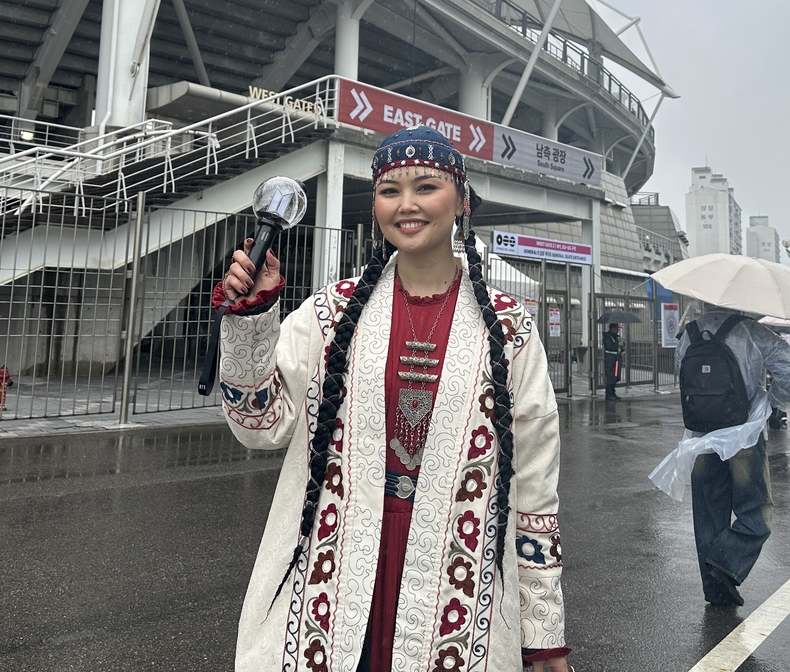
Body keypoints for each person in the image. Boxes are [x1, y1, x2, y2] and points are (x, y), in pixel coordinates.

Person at [216, 127, 570, 672]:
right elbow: (259, 425)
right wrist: (251, 321)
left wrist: (542, 633)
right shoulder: (329, 315)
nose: (406, 204)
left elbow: (535, 490)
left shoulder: (510, 328)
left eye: (426, 186)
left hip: (458, 575)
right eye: (389, 190)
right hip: (334, 575)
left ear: (461, 200)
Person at [674, 310, 790, 608]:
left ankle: (715, 590)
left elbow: (682, 372)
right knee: (756, 509)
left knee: (708, 512)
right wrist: (776, 399)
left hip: (702, 434)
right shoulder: (751, 331)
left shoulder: (690, 332)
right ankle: (727, 561)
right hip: (742, 431)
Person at [603, 322, 622, 401]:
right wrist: (618, 344)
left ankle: (613, 392)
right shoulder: (607, 337)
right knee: (610, 376)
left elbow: (618, 347)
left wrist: (622, 350)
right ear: (613, 328)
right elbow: (609, 346)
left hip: (616, 359)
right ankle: (608, 394)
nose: (618, 330)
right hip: (610, 360)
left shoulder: (616, 337)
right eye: (617, 328)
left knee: (615, 376)